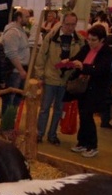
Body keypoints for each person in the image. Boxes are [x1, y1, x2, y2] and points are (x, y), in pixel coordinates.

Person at [34, 12, 85, 145]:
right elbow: (41, 56)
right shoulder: (51, 37)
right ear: (62, 23)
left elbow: (81, 58)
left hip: (66, 80)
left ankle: (52, 134)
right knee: (45, 107)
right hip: (50, 77)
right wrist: (40, 75)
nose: (70, 27)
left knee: (59, 109)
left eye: (73, 24)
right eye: (67, 24)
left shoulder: (79, 40)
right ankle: (39, 133)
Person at [66, 24, 112, 158]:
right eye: (89, 39)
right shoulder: (86, 48)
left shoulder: (107, 53)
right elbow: (77, 58)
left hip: (96, 89)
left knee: (88, 115)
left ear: (102, 40)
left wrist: (83, 67)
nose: (91, 42)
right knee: (82, 115)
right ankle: (82, 142)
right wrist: (68, 63)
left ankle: (92, 145)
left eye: (94, 40)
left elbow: (100, 70)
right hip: (83, 87)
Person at [1, 7, 31, 118]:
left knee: (16, 100)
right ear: (19, 18)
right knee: (10, 99)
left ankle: (11, 122)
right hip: (15, 71)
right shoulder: (12, 33)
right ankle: (6, 124)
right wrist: (21, 70)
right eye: (26, 17)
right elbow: (11, 53)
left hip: (20, 70)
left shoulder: (20, 31)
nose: (29, 19)